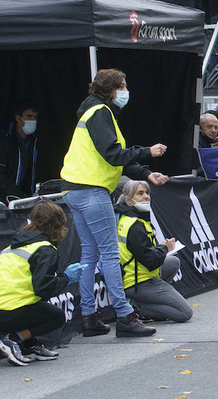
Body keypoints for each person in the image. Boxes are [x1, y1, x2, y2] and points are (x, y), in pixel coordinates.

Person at [59, 68, 168, 338]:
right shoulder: (101, 113)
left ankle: (89, 317)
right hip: (91, 190)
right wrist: (148, 152)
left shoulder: (92, 111)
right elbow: (113, 154)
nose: (125, 91)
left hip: (74, 189)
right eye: (122, 86)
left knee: (89, 254)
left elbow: (114, 157)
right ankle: (124, 315)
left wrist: (145, 173)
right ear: (110, 90)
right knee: (108, 254)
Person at [0, 201, 82, 365]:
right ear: (58, 224)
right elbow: (43, 289)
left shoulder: (12, 246)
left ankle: (29, 345)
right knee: (57, 316)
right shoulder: (44, 249)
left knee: (35, 306)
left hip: (6, 306)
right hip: (9, 309)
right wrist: (66, 277)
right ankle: (13, 340)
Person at [116, 181, 193, 324]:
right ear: (128, 200)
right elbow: (151, 261)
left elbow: (144, 253)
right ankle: (136, 307)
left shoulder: (127, 217)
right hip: (138, 282)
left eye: (147, 193)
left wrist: (162, 249)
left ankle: (151, 300)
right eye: (140, 193)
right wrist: (165, 248)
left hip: (132, 275)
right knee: (185, 313)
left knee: (172, 262)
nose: (146, 197)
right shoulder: (134, 225)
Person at [0, 101, 39, 202]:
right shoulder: (5, 140)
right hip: (5, 199)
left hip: (21, 198)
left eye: (35, 117)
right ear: (18, 118)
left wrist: (29, 197)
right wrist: (17, 195)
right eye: (29, 116)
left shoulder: (32, 141)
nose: (33, 120)